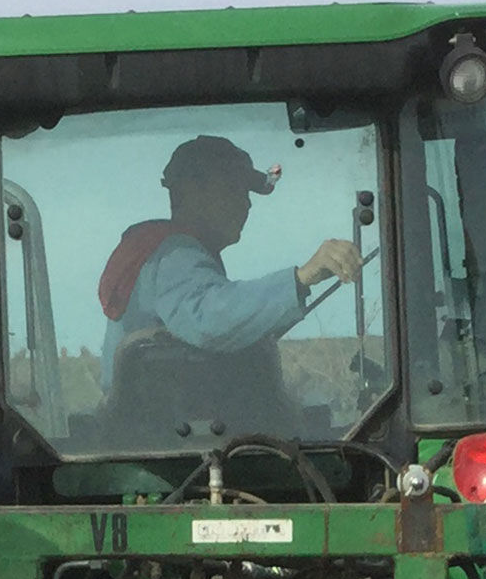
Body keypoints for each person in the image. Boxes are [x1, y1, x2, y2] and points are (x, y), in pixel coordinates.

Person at [95, 133, 360, 441]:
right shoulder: (173, 256)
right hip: (176, 444)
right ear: (192, 190)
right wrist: (302, 278)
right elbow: (210, 320)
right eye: (234, 188)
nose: (246, 203)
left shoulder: (164, 254)